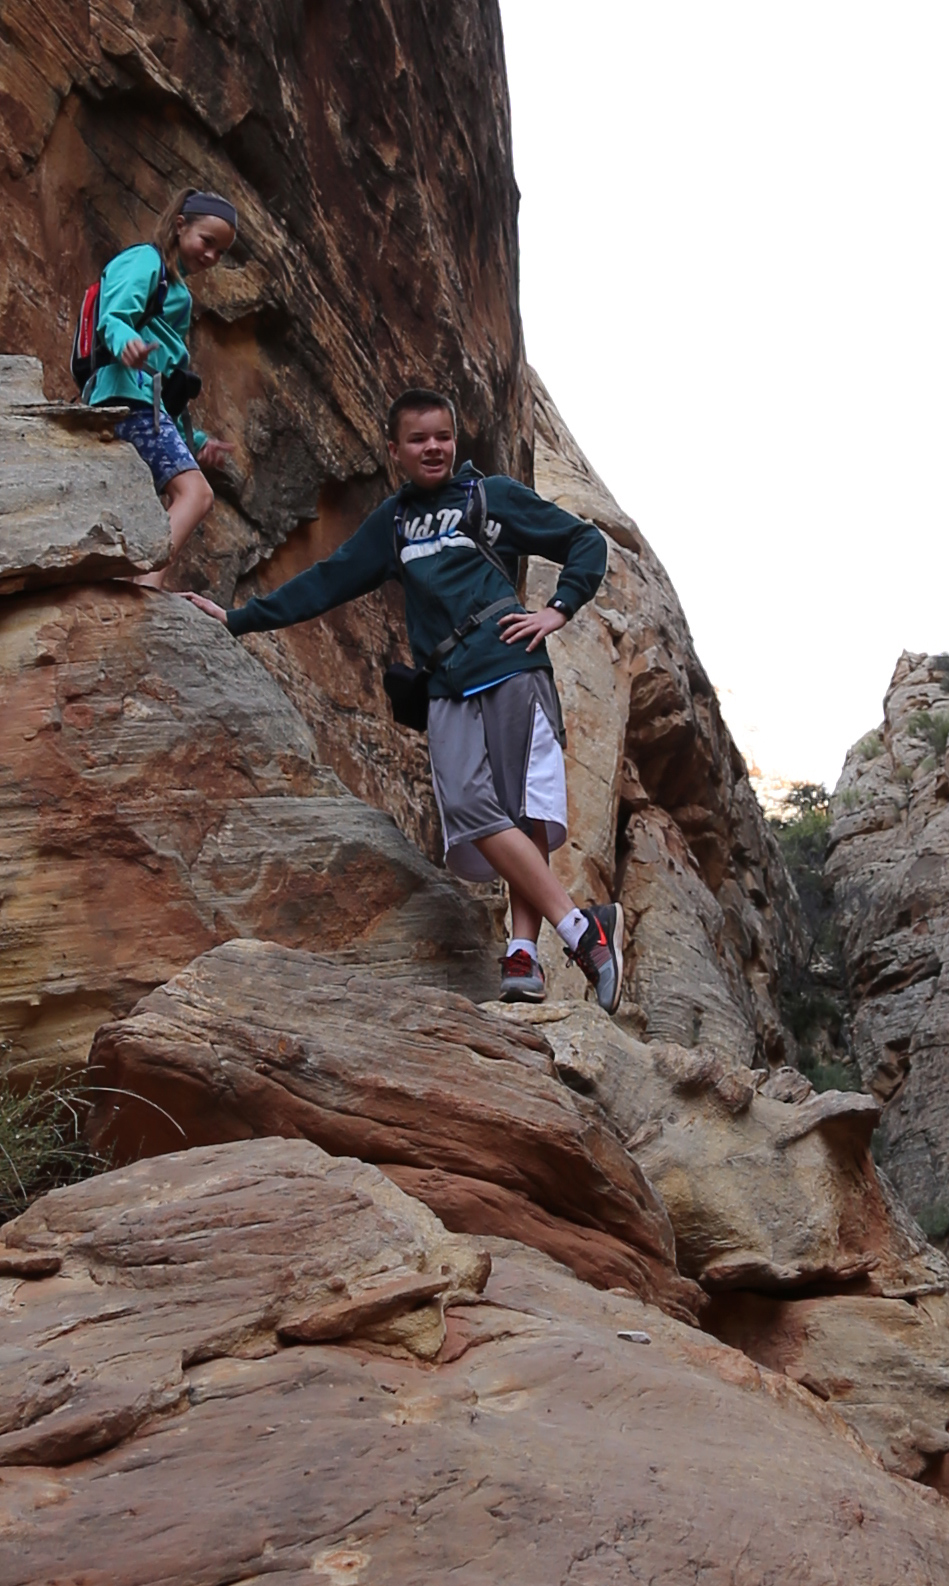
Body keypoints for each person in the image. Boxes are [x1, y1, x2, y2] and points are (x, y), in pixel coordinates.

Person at [221, 382, 621, 1009]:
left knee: (522, 814)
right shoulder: (394, 524)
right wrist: (234, 619)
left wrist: (557, 609)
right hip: (448, 684)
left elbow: (586, 542)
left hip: (514, 667)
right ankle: (582, 929)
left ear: (454, 441)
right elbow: (326, 581)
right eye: (418, 439)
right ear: (394, 452)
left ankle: (523, 955)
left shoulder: (490, 496)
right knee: (468, 807)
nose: (433, 448)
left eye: (442, 436)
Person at [82, 189, 246, 587]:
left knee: (172, 500)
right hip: (124, 399)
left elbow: (169, 388)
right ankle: (145, 589)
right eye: (207, 242)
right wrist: (126, 345)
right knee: (196, 495)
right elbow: (114, 315)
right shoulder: (144, 261)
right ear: (179, 226)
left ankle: (137, 585)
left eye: (220, 252)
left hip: (144, 404)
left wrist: (196, 440)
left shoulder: (178, 294)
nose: (210, 257)